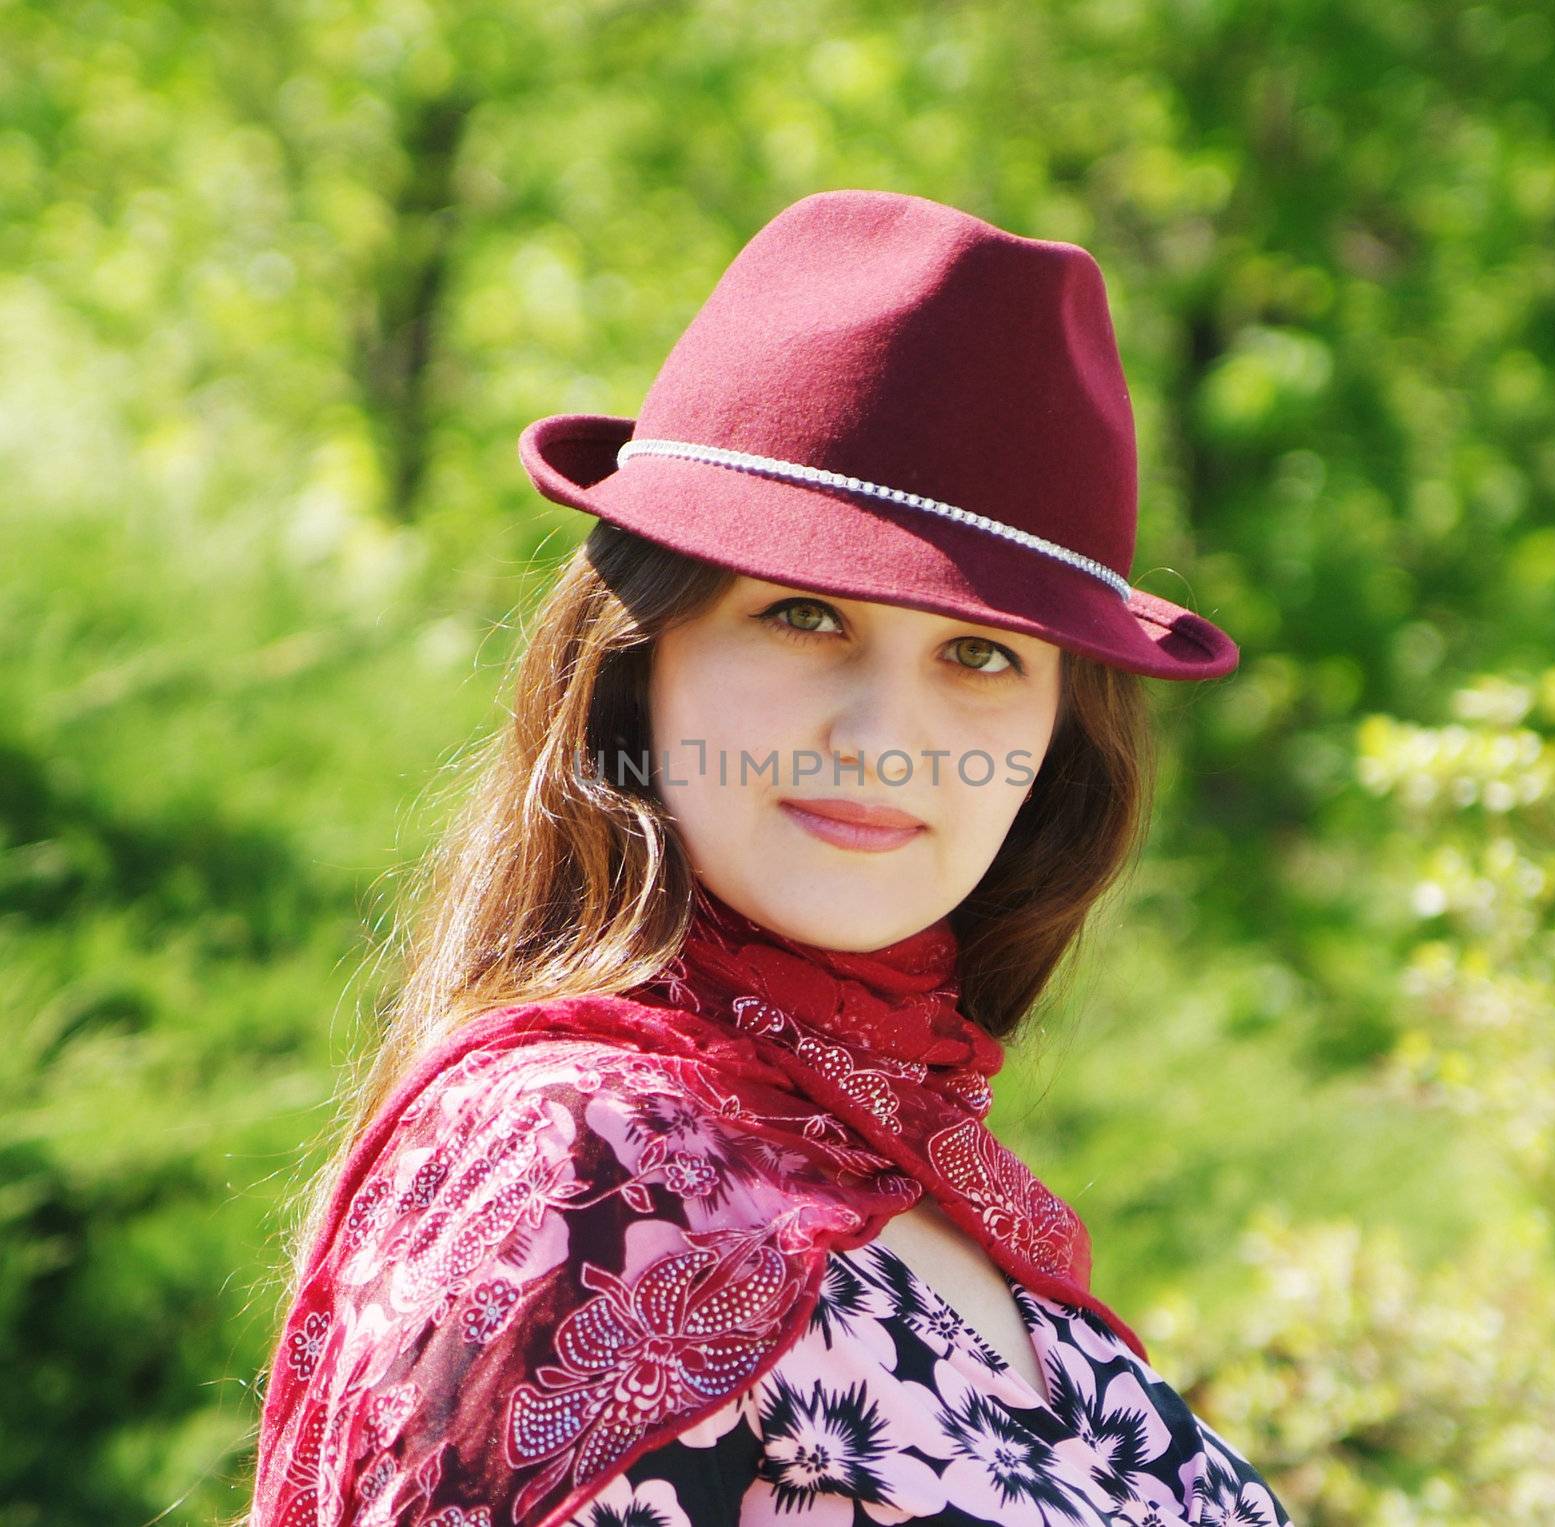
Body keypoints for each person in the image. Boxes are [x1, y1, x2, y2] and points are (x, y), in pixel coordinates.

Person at [247, 189, 1295, 1526]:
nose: (886, 737)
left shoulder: (945, 1192)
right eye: (804, 615)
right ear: (639, 660)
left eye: (981, 654)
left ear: (1057, 746)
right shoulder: (582, 1161)